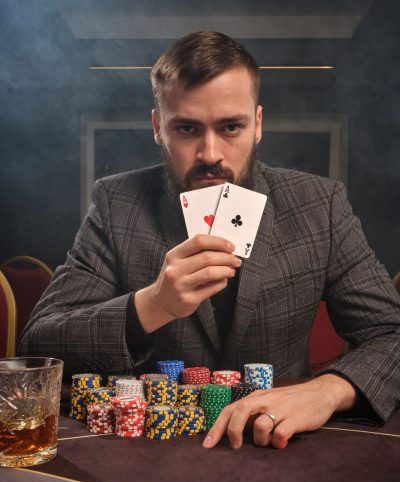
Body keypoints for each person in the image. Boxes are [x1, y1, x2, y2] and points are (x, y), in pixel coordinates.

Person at [19, 31, 400, 450]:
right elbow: (39, 343)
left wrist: (326, 390)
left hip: (280, 448)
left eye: (230, 127)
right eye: (186, 128)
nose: (210, 153)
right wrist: (151, 306)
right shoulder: (117, 203)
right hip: (152, 451)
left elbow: (392, 334)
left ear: (257, 124)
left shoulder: (318, 205)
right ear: (157, 128)